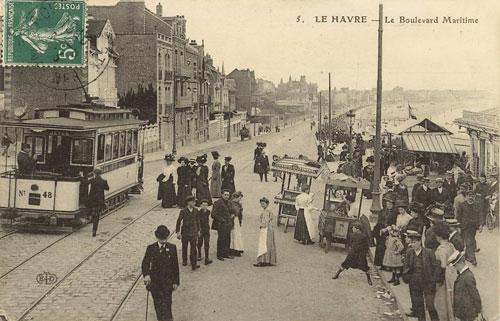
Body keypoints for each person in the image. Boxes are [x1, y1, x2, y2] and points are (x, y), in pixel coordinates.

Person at [142, 225, 179, 321]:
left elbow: (175, 266)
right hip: (155, 283)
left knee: (167, 304)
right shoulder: (151, 248)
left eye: (165, 238)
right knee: (158, 305)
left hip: (168, 283)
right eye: (162, 239)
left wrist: (175, 281)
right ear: (157, 237)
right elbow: (145, 263)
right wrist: (147, 275)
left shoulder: (172, 248)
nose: (164, 241)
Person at [402, 231, 440, 321]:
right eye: (411, 242)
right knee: (419, 307)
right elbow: (406, 266)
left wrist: (433, 281)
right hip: (414, 283)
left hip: (427, 283)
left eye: (414, 242)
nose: (412, 244)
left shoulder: (428, 252)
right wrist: (408, 277)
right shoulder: (410, 252)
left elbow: (436, 267)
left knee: (431, 306)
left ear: (419, 242)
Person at [448, 251, 482, 321]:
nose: (455, 268)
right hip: (464, 313)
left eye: (456, 266)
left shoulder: (467, 277)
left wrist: (478, 312)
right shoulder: (463, 275)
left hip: (469, 314)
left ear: (460, 263)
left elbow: (475, 295)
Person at [434, 223, 456, 321]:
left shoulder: (442, 248)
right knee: (451, 298)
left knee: (443, 301)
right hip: (452, 272)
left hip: (445, 276)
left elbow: (442, 265)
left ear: (439, 236)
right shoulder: (451, 245)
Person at [455, 190, 484, 266]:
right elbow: (458, 217)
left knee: (470, 240)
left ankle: (467, 256)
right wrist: (458, 226)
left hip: (473, 227)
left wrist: (481, 225)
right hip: (464, 226)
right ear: (466, 196)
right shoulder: (462, 205)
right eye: (469, 196)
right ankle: (473, 259)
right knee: (469, 242)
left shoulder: (477, 204)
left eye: (473, 196)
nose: (471, 198)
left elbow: (480, 214)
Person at [175, 195, 201, 271]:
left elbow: (198, 221)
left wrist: (199, 230)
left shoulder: (196, 210)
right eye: (193, 202)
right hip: (185, 232)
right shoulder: (183, 211)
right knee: (184, 246)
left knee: (193, 248)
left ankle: (194, 263)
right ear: (188, 202)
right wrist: (178, 232)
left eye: (194, 202)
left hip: (193, 232)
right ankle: (184, 260)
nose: (194, 203)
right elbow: (179, 221)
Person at [255, 197, 277, 267]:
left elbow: (266, 221)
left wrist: (261, 225)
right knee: (268, 244)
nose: (262, 205)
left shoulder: (266, 211)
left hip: (266, 228)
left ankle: (263, 260)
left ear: (267, 204)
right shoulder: (267, 210)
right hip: (269, 228)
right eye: (261, 204)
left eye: (263, 204)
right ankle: (268, 260)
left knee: (264, 244)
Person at [211, 189, 233, 261]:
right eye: (225, 195)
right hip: (221, 224)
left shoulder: (229, 203)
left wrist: (231, 216)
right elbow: (213, 214)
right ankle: (219, 254)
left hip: (228, 224)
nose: (227, 196)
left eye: (228, 195)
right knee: (221, 238)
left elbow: (231, 211)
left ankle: (226, 253)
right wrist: (221, 220)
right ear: (222, 195)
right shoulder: (217, 203)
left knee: (227, 238)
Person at [87, 168, 109, 237]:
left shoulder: (92, 180)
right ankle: (94, 231)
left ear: (94, 173)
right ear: (101, 173)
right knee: (97, 217)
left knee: (92, 212)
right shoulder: (104, 181)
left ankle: (90, 215)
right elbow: (107, 188)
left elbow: (85, 183)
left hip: (92, 201)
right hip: (100, 201)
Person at [196, 199, 213, 265]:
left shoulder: (209, 212)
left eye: (206, 205)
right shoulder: (198, 213)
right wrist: (198, 230)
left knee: (207, 243)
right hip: (200, 230)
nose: (204, 206)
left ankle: (207, 258)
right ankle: (199, 254)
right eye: (203, 205)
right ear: (200, 205)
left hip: (206, 230)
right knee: (199, 243)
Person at [229, 191, 244, 257]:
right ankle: (233, 248)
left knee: (237, 234)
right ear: (235, 197)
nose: (240, 200)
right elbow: (236, 212)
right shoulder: (231, 203)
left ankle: (237, 248)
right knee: (234, 234)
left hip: (236, 220)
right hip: (233, 220)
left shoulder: (238, 204)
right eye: (239, 198)